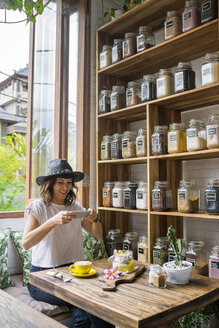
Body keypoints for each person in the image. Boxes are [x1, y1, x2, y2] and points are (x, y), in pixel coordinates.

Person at [22, 158, 114, 328]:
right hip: (42, 278)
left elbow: (97, 234)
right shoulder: (38, 208)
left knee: (86, 317)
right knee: (92, 305)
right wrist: (53, 221)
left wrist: (95, 219)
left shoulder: (75, 206)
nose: (65, 187)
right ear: (49, 184)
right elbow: (26, 243)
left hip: (73, 274)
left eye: (69, 183)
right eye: (60, 183)